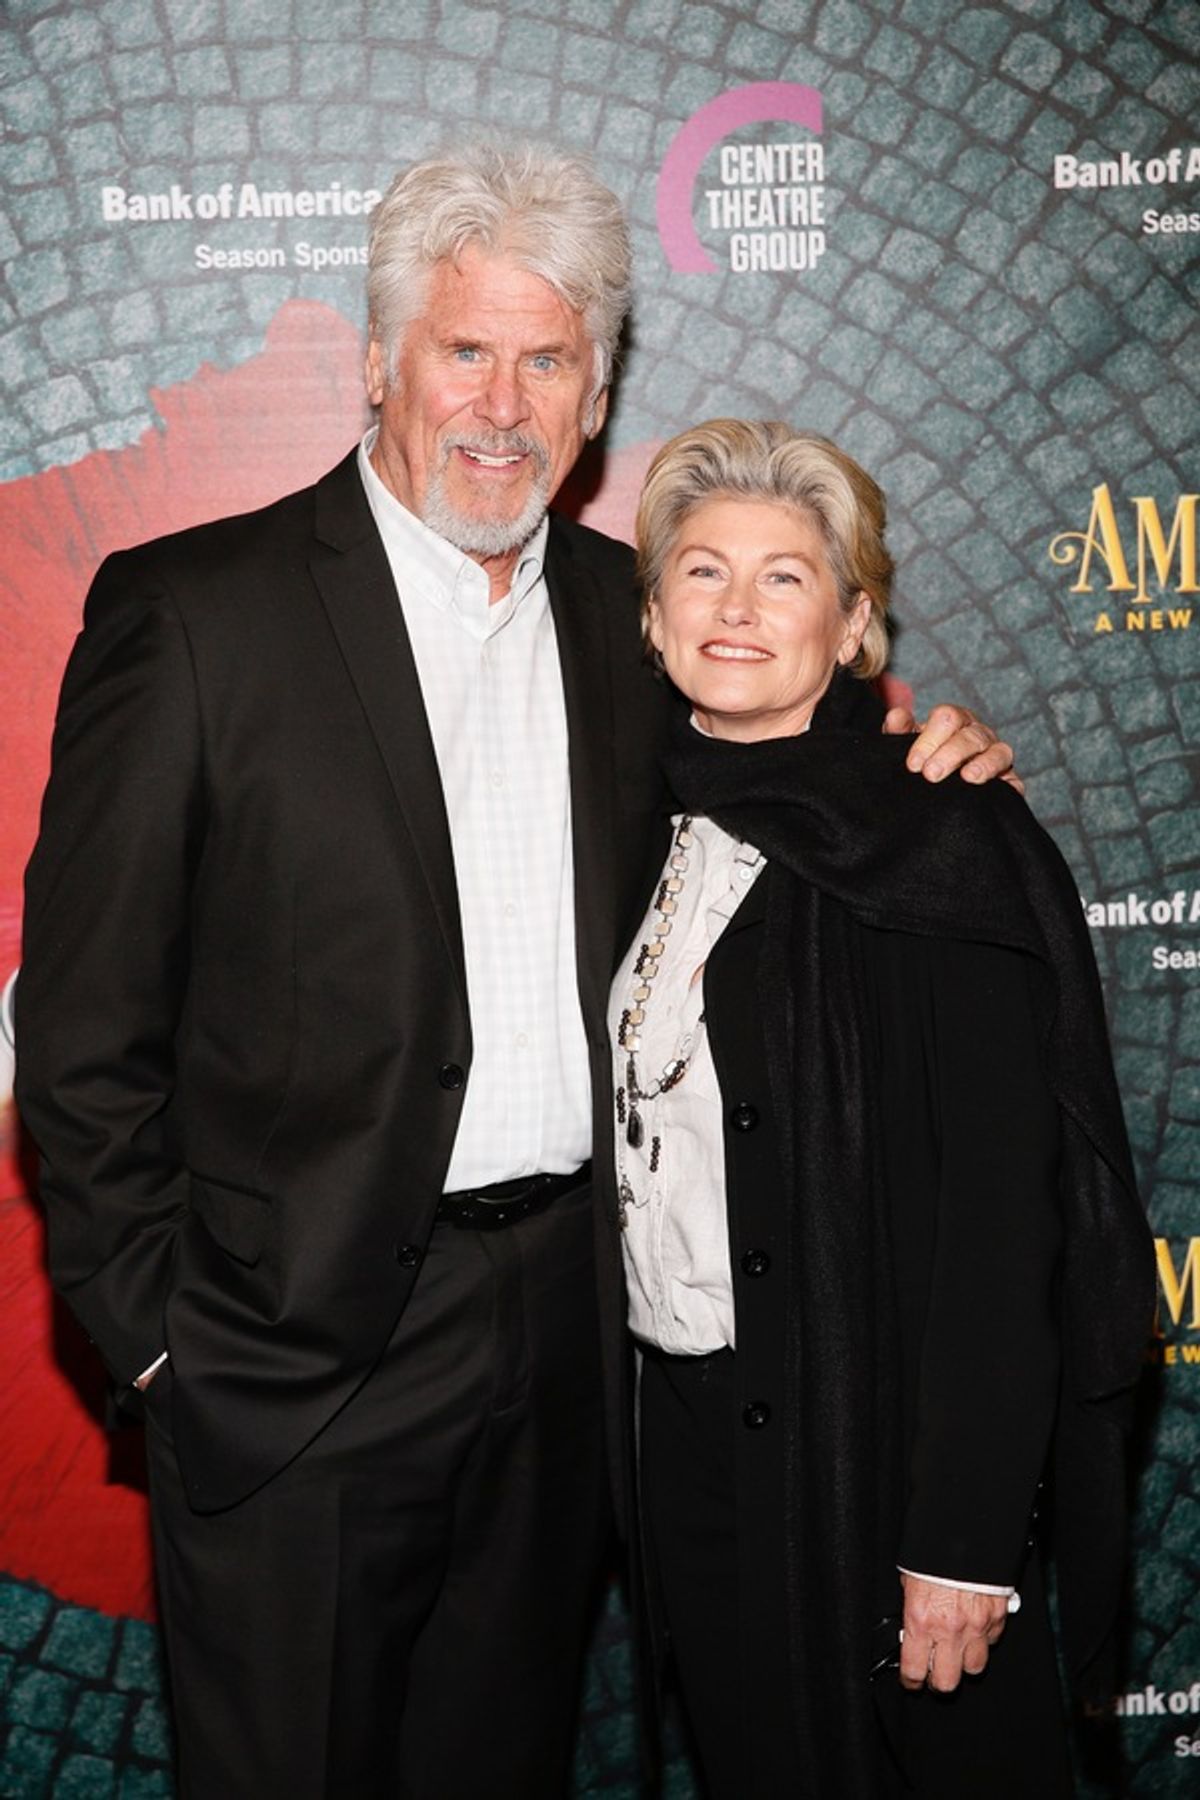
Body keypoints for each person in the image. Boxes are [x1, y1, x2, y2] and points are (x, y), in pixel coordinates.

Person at [16, 147, 1014, 1800]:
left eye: (548, 359)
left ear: (598, 393)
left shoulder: (638, 623)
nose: (502, 402)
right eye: (462, 351)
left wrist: (933, 770)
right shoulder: (195, 616)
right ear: (377, 363)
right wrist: (165, 1350)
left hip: (566, 1352)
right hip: (290, 1366)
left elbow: (799, 780)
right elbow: (81, 1037)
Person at [612, 419, 1153, 1799]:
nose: (737, 609)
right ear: (655, 613)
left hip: (875, 1455)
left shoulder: (937, 838)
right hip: (692, 1448)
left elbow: (998, 1224)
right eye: (703, 573)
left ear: (854, 624)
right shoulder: (640, 821)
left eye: (785, 578)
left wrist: (962, 1539)